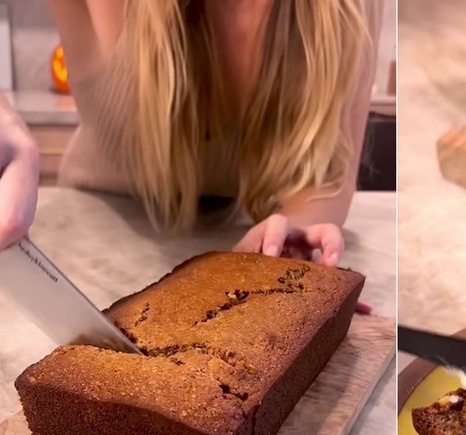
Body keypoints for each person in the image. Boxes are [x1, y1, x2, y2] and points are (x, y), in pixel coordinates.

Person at [0, 0, 380, 277]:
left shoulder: (347, 11)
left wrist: (292, 233)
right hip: (85, 244)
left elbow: (327, 175)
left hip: (250, 243)